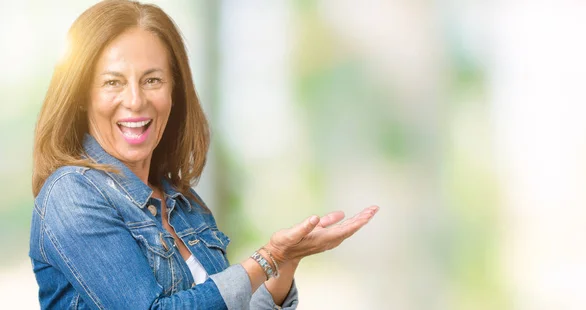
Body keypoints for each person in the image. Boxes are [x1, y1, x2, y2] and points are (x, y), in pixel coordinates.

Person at [29, 1, 379, 309]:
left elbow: (223, 304)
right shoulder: (71, 194)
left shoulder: (183, 203)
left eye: (152, 80)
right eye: (112, 82)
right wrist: (267, 258)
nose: (135, 100)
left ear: (174, 93)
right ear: (80, 96)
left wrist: (285, 262)